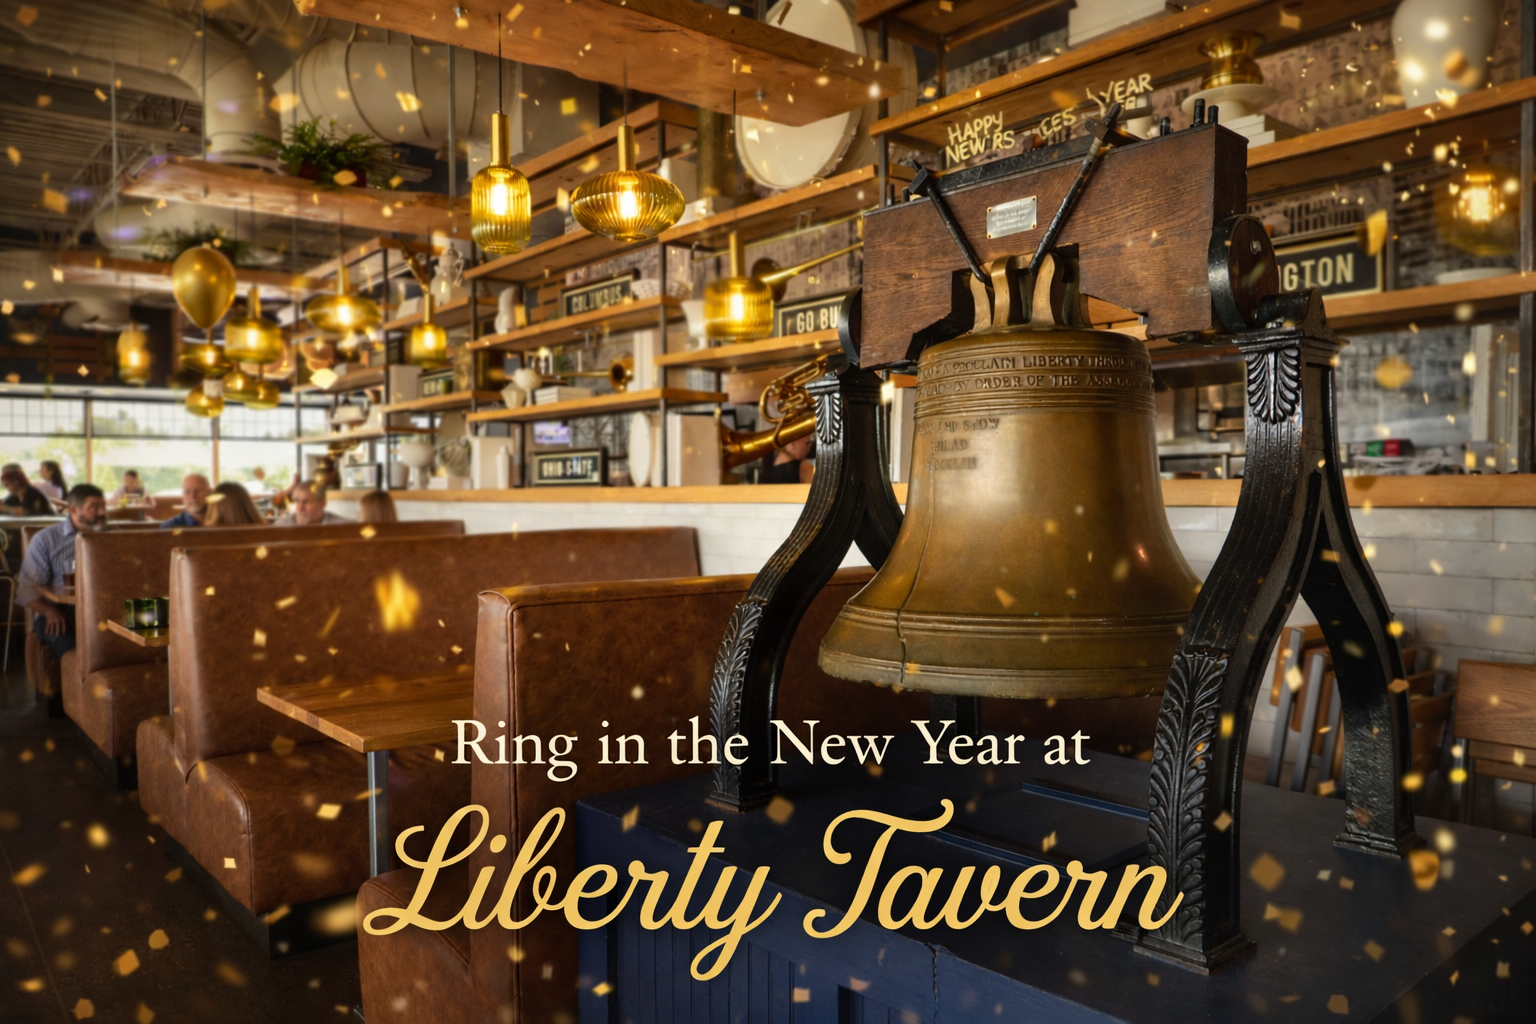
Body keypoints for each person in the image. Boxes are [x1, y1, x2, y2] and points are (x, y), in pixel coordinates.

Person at [17, 484, 107, 658]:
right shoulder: (46, 539)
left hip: (99, 611)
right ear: (73, 509)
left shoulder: (110, 537)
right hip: (58, 611)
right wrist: (49, 611)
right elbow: (26, 589)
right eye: (94, 507)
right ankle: (75, 673)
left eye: (103, 506)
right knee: (72, 647)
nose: (102, 512)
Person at [274, 480, 351, 526]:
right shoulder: (280, 527)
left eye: (306, 502)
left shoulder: (343, 527)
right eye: (297, 501)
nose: (300, 508)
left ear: (322, 503)